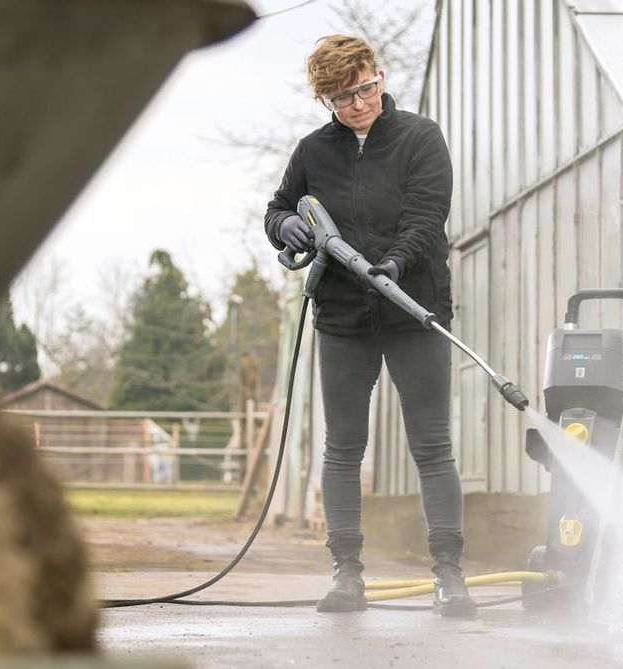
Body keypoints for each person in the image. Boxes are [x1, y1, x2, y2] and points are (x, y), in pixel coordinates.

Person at [263, 35, 472, 618]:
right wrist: (285, 228)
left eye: (365, 88)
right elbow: (277, 205)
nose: (358, 104)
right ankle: (346, 574)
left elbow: (428, 214)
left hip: (415, 309)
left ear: (378, 74)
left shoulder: (420, 137)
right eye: (341, 98)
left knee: (432, 446)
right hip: (343, 319)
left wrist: (395, 266)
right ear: (324, 100)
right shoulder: (312, 151)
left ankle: (449, 575)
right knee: (342, 448)